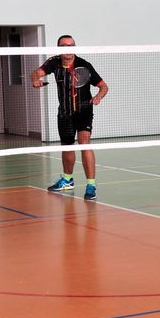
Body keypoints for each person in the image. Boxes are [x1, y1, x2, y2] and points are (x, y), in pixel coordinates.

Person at [31, 34, 108, 200]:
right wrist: (36, 79)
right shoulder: (54, 62)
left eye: (71, 45)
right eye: (64, 46)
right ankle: (67, 180)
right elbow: (36, 73)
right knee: (66, 146)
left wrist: (98, 96)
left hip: (84, 110)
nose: (68, 49)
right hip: (65, 112)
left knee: (84, 143)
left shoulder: (84, 65)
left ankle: (91, 185)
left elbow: (103, 86)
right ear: (58, 48)